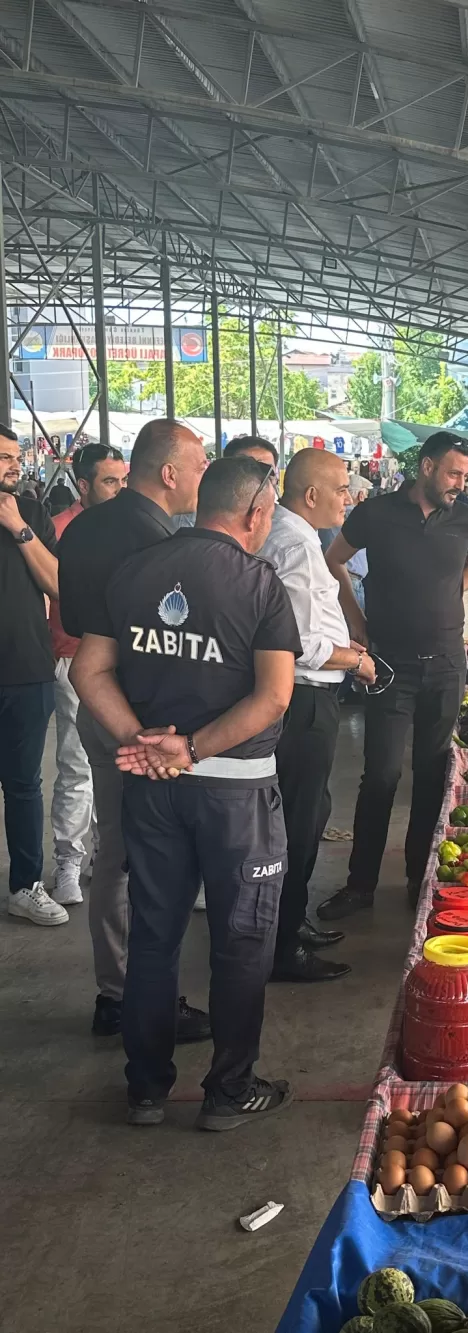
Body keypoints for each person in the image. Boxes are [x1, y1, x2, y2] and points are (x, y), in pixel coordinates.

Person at [71, 456, 300, 1129]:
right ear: (256, 513)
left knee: (154, 934)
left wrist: (141, 740)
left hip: (153, 792)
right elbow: (274, 698)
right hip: (236, 797)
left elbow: (90, 668)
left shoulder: (137, 569)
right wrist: (193, 748)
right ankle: (229, 1090)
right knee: (240, 939)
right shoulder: (258, 583)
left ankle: (145, 1086)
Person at [59, 419, 211, 1040]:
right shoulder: (159, 542)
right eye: (199, 466)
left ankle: (116, 991)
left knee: (118, 849)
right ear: (169, 473)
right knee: (146, 859)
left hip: (97, 704)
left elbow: (72, 617)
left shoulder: (83, 526)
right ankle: (136, 998)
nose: (203, 478)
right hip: (142, 717)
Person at [317, 431, 468, 919]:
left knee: (433, 776)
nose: (461, 483)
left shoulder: (466, 518)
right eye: (454, 473)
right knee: (382, 776)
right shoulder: (377, 513)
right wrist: (355, 619)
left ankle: (420, 878)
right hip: (390, 666)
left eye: (465, 476)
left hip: (447, 665)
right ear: (428, 467)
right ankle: (360, 884)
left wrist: (445, 591)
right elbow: (334, 560)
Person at [260, 450, 376, 982]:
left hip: (307, 694)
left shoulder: (297, 535)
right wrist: (355, 659)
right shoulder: (297, 545)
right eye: (341, 489)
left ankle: (292, 920)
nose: (348, 498)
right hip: (305, 698)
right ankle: (284, 947)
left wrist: (339, 641)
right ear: (311, 495)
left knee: (308, 812)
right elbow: (298, 642)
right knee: (299, 825)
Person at [47, 443, 127, 907]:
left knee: (118, 766)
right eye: (109, 481)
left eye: (122, 480)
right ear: (84, 485)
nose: (118, 489)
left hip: (120, 661)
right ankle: (68, 863)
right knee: (77, 767)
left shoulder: (131, 526)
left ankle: (107, 855)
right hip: (72, 659)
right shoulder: (60, 529)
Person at [0, 423, 64, 926]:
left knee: (24, 784)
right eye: (3, 457)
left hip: (26, 669)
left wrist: (18, 527)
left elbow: (57, 584)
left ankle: (26, 884)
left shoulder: (32, 512)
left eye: (14, 457)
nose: (14, 465)